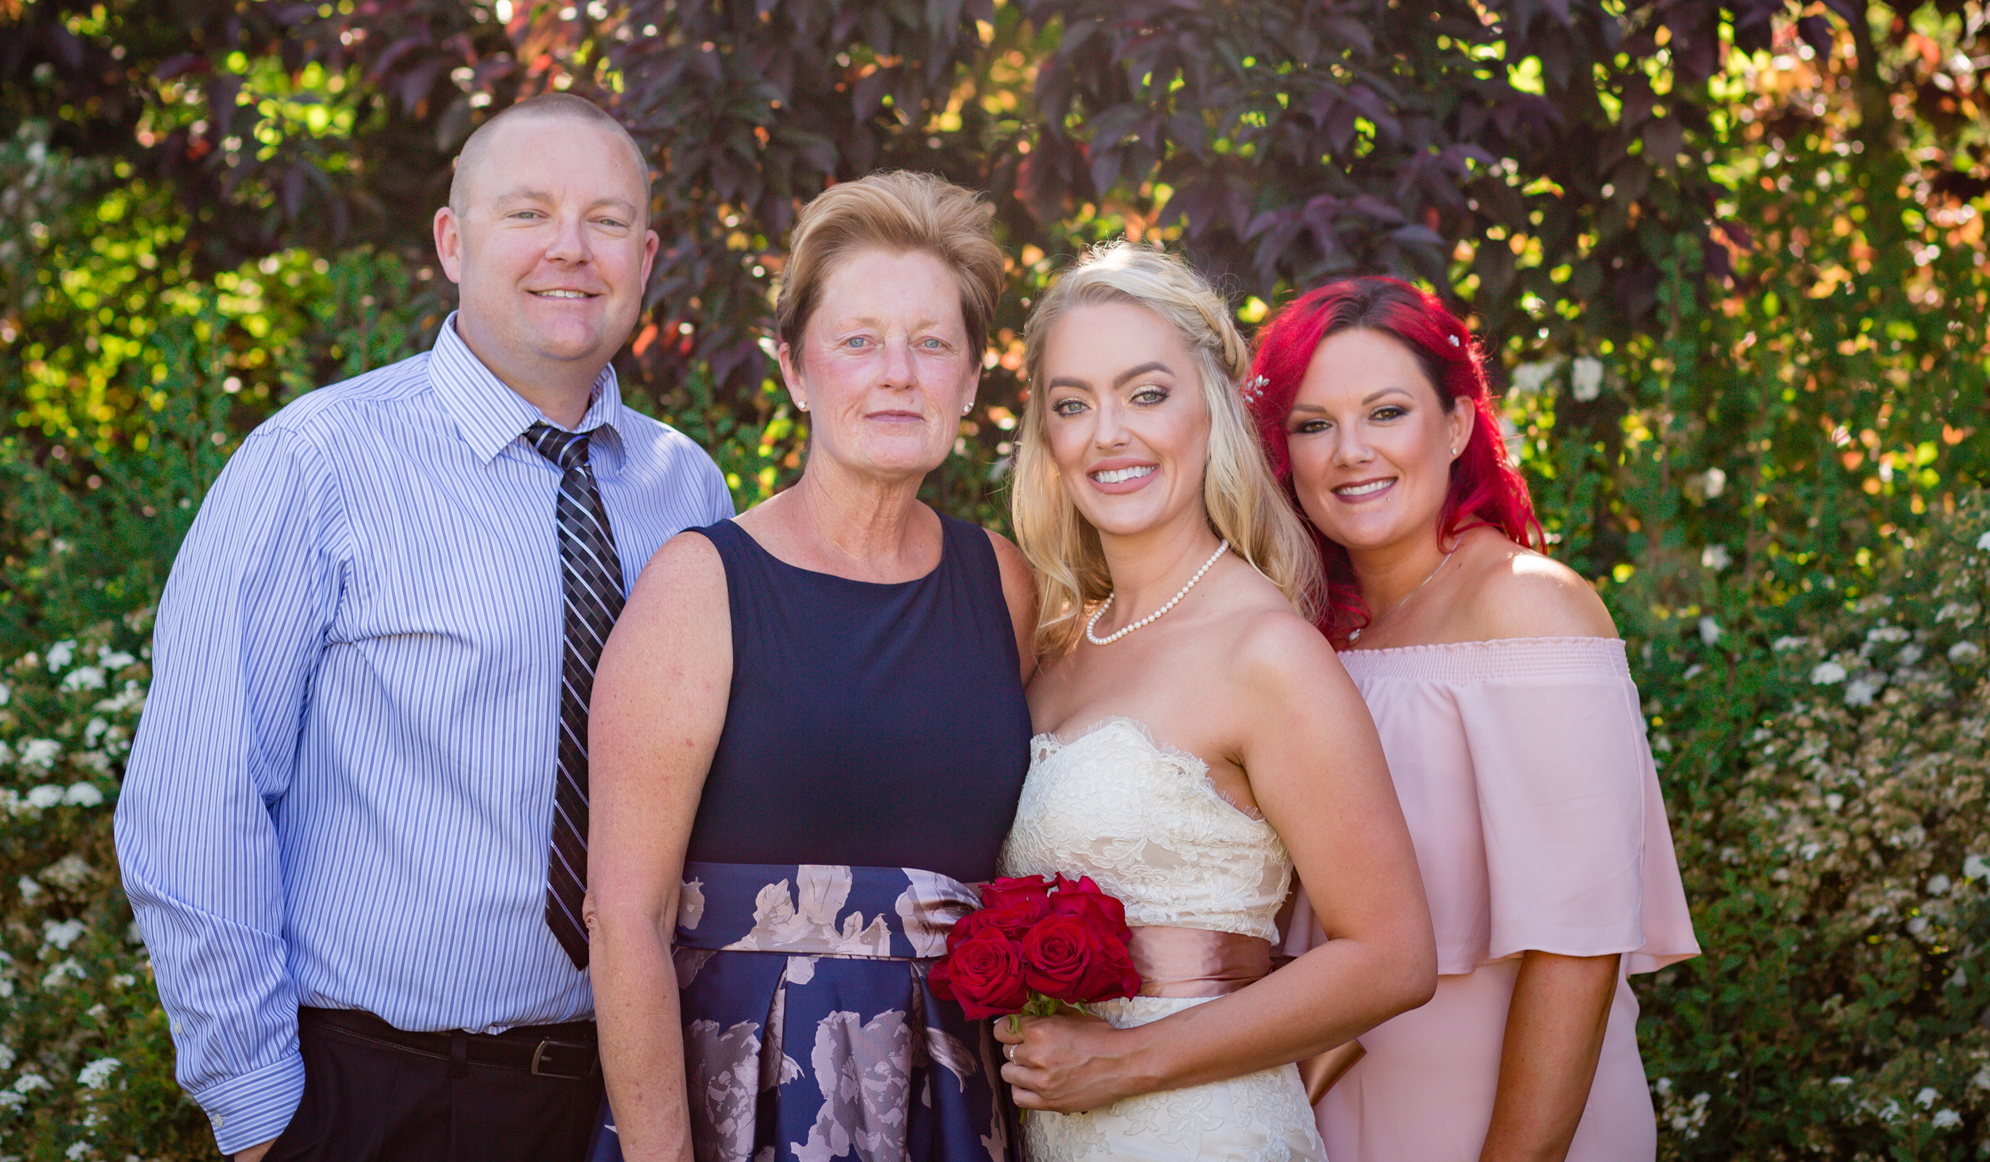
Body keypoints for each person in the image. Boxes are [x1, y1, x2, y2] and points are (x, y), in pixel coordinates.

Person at [114, 93, 734, 1162]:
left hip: (627, 1098)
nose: (569, 251)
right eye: (528, 213)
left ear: (646, 254)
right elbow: (193, 798)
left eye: (606, 219)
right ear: (452, 242)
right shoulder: (318, 463)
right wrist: (264, 1118)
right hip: (380, 1098)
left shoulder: (686, 490)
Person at [583, 171, 1039, 1162]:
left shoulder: (1000, 581)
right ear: (794, 368)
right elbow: (624, 918)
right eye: (857, 341)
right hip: (746, 1107)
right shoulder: (701, 584)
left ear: (968, 379)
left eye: (930, 344)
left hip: (949, 1111)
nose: (896, 373)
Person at [990, 241, 1436, 1162]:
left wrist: (1125, 1062)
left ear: (1214, 406)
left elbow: (1391, 955)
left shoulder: (1264, 651)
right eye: (1072, 404)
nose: (1108, 432)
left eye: (1145, 394)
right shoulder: (1056, 648)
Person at [1246, 276, 1700, 1162]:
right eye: (1313, 424)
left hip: (1503, 1125)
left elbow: (1577, 949)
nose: (1349, 452)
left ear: (1455, 427)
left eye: (1386, 412)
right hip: (1330, 1120)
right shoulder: (1307, 636)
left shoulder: (1532, 609)